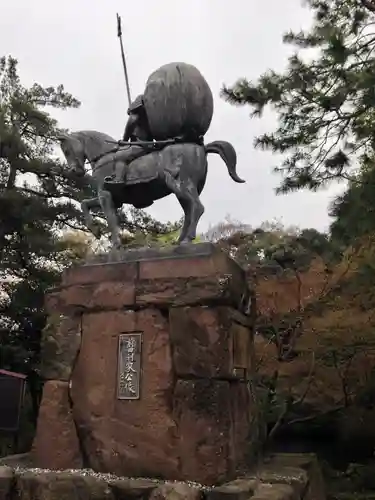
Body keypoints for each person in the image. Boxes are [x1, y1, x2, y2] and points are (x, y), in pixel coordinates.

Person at [104, 94, 154, 185]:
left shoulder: (141, 102)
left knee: (120, 155)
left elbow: (132, 120)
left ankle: (118, 179)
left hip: (143, 144)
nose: (130, 115)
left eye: (131, 113)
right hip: (142, 144)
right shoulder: (150, 111)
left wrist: (125, 140)